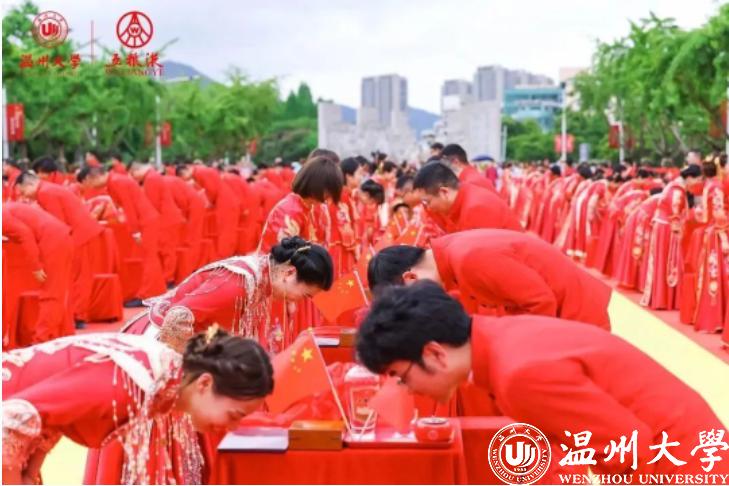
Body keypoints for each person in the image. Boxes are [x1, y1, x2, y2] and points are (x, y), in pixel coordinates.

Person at [356, 282, 728, 478]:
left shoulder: (518, 374)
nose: (407, 390)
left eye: (401, 377)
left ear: (435, 354)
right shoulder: (500, 339)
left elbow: (630, 453)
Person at [5, 329, 273, 485]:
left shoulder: (164, 378)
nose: (232, 427)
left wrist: (30, 472)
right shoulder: (126, 384)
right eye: (234, 415)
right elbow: (10, 420)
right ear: (205, 383)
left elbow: (55, 412)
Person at [368, 229, 612, 329]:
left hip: (576, 316)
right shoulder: (451, 253)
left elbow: (540, 303)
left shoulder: (468, 260)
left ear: (411, 278)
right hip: (567, 311)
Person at [15, 170, 106, 327]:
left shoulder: (45, 193)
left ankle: (78, 316)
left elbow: (57, 224)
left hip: (79, 236)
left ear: (30, 184)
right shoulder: (47, 190)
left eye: (23, 192)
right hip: (79, 233)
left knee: (79, 278)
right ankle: (76, 314)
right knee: (78, 277)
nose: (25, 197)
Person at [77, 166, 166, 303]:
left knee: (149, 258)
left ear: (91, 178)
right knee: (149, 258)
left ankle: (147, 295)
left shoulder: (117, 182)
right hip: (144, 219)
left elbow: (129, 207)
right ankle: (154, 293)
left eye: (88, 183)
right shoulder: (114, 181)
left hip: (145, 221)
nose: (90, 187)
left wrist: (135, 232)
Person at [2, 203, 73, 346]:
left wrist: (35, 266)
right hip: (57, 236)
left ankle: (42, 339)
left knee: (51, 294)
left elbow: (25, 234)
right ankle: (51, 336)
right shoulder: (6, 210)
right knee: (56, 293)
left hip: (52, 240)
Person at [641, 165, 702, 310]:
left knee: (663, 262)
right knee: (671, 262)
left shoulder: (674, 185)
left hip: (663, 226)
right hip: (667, 228)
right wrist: (679, 229)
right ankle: (668, 300)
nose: (697, 183)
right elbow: (675, 211)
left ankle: (663, 298)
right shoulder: (677, 190)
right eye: (697, 180)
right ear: (689, 177)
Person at [412, 162, 521, 233]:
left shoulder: (475, 208)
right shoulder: (462, 198)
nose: (429, 208)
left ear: (444, 192)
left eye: (427, 202)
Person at [128, 161, 186, 285]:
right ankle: (167, 276)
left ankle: (168, 278)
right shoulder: (152, 176)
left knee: (167, 250)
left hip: (166, 219)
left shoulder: (151, 179)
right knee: (166, 250)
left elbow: (152, 204)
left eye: (133, 175)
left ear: (136, 170)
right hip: (166, 218)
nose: (134, 179)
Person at [176, 163, 241, 259]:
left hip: (224, 202)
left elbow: (212, 189)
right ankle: (227, 254)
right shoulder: (201, 171)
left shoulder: (199, 173)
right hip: (226, 199)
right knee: (227, 230)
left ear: (185, 171)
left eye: (184, 178)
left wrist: (210, 202)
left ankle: (223, 256)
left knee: (224, 231)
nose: (187, 180)